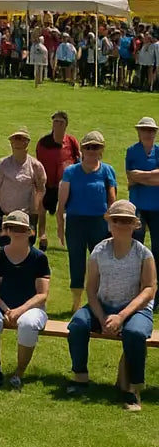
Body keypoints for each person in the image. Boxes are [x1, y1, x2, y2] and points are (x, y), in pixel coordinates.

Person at [66, 200, 156, 411]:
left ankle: (133, 390)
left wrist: (121, 317)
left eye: (127, 221)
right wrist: (101, 316)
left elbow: (149, 289)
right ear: (109, 224)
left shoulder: (144, 254)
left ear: (136, 225)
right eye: (117, 220)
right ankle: (80, 377)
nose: (121, 225)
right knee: (77, 325)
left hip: (136, 310)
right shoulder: (99, 251)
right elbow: (91, 289)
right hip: (103, 305)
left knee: (134, 333)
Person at [0, 209, 50, 388]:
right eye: (12, 228)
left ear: (29, 232)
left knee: (27, 324)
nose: (17, 232)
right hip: (2, 305)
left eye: (21, 228)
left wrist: (19, 310)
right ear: (6, 230)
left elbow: (42, 294)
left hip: (32, 308)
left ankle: (19, 372)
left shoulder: (39, 258)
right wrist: (5, 309)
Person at [57, 131, 118, 311]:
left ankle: (98, 300)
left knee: (100, 261)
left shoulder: (107, 170)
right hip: (76, 222)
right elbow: (62, 202)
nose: (92, 150)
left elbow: (112, 199)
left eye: (96, 147)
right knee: (76, 261)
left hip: (99, 222)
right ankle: (76, 302)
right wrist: (60, 226)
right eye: (88, 147)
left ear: (102, 150)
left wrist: (111, 224)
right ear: (82, 149)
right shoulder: (71, 172)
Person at [0, 126, 47, 247]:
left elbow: (40, 196)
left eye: (21, 139)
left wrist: (41, 232)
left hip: (25, 219)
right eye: (15, 139)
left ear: (27, 142)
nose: (18, 142)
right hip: (6, 218)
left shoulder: (36, 166)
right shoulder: (2, 165)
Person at [36, 110, 79, 250]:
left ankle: (66, 240)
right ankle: (42, 237)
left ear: (66, 125)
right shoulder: (43, 143)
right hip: (47, 183)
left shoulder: (71, 142)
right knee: (41, 209)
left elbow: (78, 160)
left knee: (67, 213)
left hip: (65, 185)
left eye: (61, 122)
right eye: (55, 121)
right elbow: (38, 163)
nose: (58, 124)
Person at [125, 116, 159, 244]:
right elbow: (131, 176)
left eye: (151, 130)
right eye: (144, 130)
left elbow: (136, 178)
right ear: (138, 132)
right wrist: (153, 175)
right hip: (137, 205)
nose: (147, 133)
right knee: (136, 243)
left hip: (157, 206)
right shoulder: (132, 151)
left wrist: (141, 177)